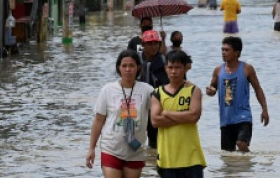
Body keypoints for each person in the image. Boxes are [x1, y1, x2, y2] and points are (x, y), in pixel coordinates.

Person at [86, 50, 154, 178]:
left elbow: (159, 114)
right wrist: (91, 148)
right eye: (124, 66)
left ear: (138, 67)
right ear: (119, 68)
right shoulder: (108, 90)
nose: (128, 69)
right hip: (111, 148)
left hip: (136, 150)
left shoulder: (147, 90)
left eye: (132, 66)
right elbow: (99, 120)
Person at [205, 36, 270, 152]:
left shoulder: (247, 69)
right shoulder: (218, 70)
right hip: (225, 119)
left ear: (236, 52)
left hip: (243, 117)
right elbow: (212, 88)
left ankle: (250, 164)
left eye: (227, 50)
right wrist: (209, 91)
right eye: (222, 50)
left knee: (241, 143)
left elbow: (258, 89)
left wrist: (264, 109)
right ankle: (241, 168)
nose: (223, 53)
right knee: (228, 155)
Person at [150, 50, 207, 178]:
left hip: (192, 158)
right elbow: (155, 121)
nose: (174, 71)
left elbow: (194, 117)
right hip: (167, 159)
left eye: (178, 67)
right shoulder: (157, 93)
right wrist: (183, 116)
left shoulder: (194, 90)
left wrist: (166, 113)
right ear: (165, 68)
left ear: (185, 68)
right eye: (170, 67)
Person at [138, 30, 169, 149]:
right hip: (139, 103)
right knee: (134, 137)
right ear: (143, 44)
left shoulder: (164, 61)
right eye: (149, 43)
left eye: (156, 43)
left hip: (158, 103)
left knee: (156, 137)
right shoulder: (137, 60)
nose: (153, 47)